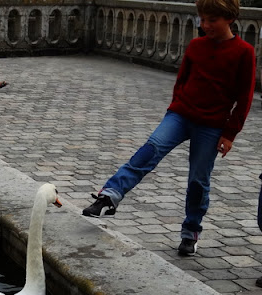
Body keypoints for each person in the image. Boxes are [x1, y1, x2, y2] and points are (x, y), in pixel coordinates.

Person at [82, 0, 255, 257]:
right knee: (149, 150)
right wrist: (175, 107)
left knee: (198, 180)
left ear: (229, 18)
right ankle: (109, 195)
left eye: (212, 21)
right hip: (180, 114)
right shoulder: (196, 46)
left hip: (211, 125)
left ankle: (190, 232)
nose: (205, 25)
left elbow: (245, 97)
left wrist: (229, 134)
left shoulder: (244, 52)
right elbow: (182, 79)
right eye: (202, 20)